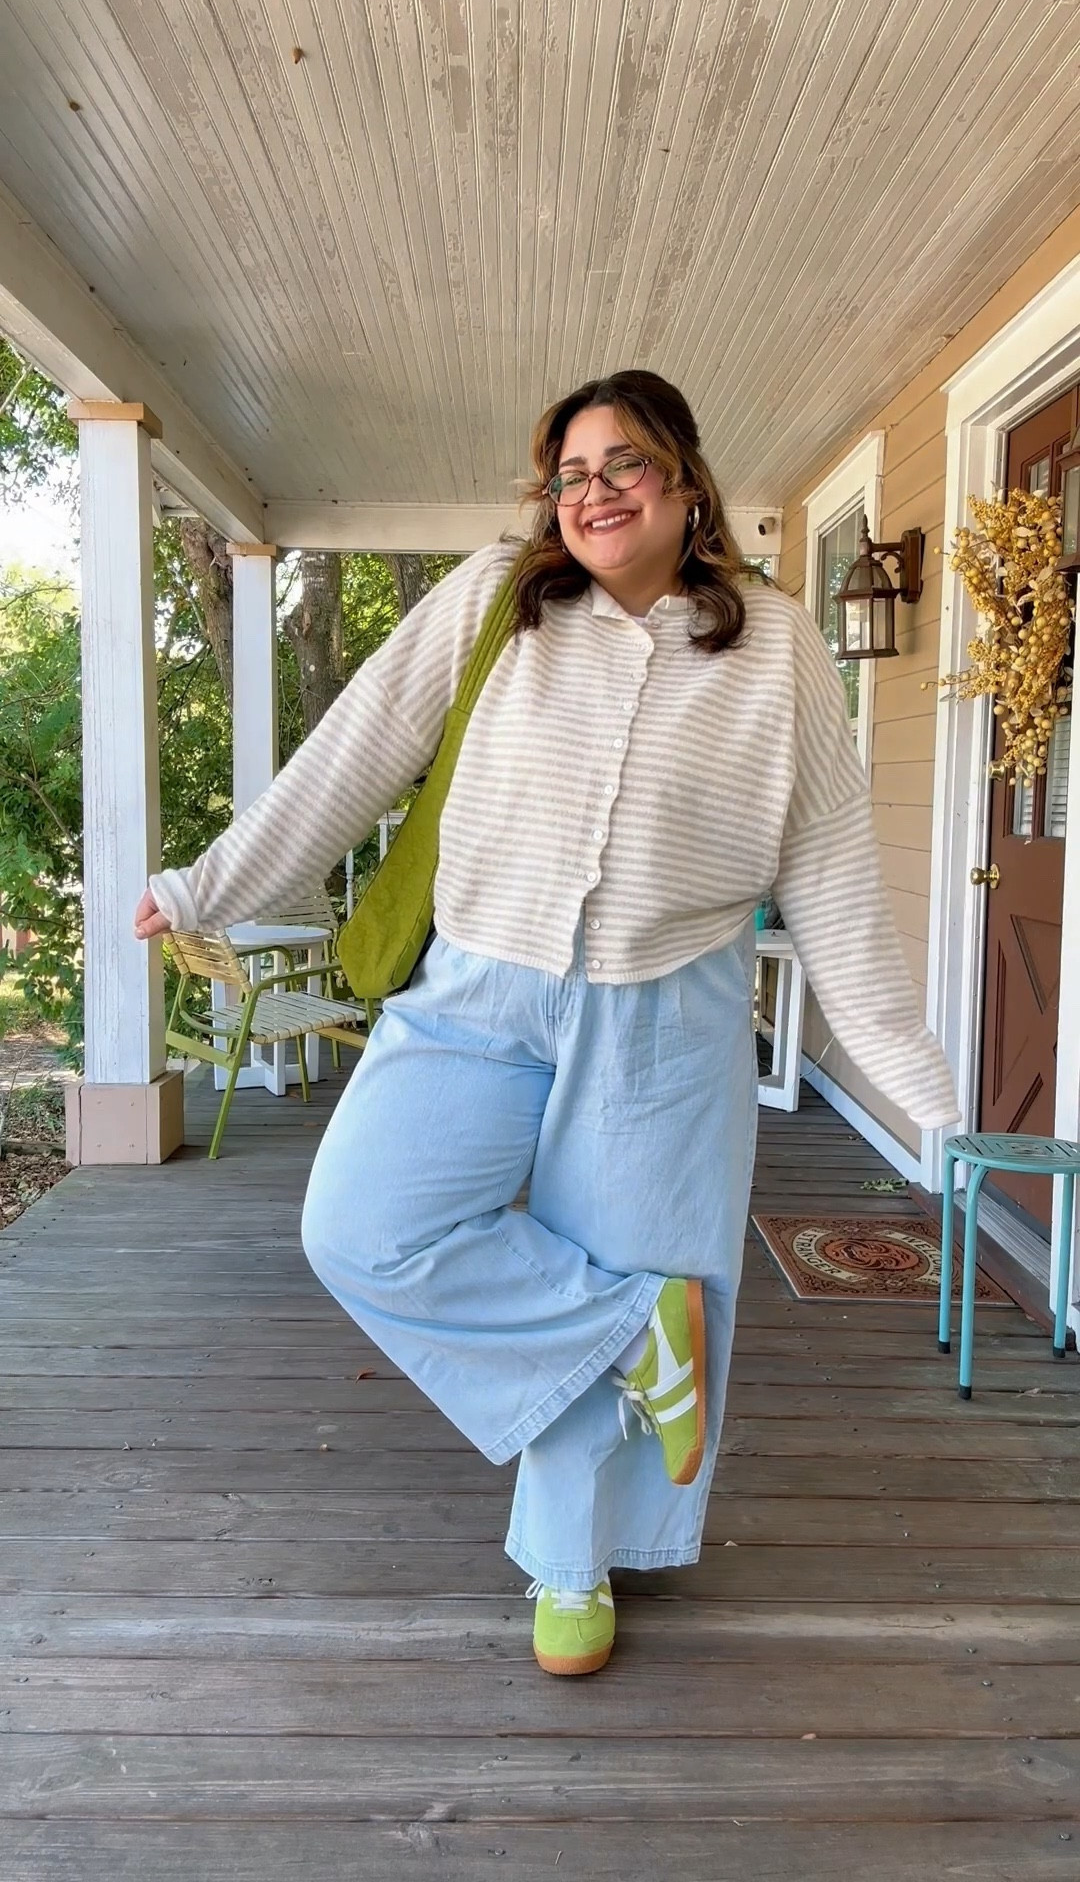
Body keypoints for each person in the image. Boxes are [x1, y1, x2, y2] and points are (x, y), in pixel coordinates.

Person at [135, 370, 958, 1677]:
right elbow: (350, 756)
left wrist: (931, 1103)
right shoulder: (492, 604)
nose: (593, 490)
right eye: (571, 471)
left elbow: (838, 877)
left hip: (668, 1006)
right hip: (478, 987)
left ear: (688, 483)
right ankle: (637, 1337)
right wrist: (208, 888)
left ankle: (575, 1571)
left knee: (621, 1242)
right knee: (361, 1224)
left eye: (624, 463)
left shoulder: (778, 647)